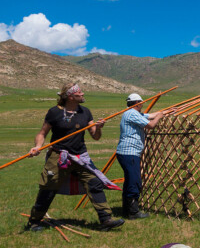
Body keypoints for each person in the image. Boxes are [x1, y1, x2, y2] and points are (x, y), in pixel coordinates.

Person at [27, 83, 125, 232]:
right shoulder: (54, 112)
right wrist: (38, 146)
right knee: (48, 187)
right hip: (59, 155)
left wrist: (98, 128)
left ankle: (105, 220)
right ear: (71, 96)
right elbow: (42, 133)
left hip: (80, 156)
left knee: (95, 183)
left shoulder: (85, 112)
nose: (83, 93)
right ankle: (34, 222)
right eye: (79, 92)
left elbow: (95, 136)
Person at [116, 93, 171, 219]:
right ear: (137, 103)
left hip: (128, 153)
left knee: (130, 181)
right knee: (134, 181)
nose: (142, 104)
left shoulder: (132, 113)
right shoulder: (132, 114)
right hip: (129, 153)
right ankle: (133, 212)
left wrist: (164, 112)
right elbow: (151, 125)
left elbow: (150, 115)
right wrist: (160, 117)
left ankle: (127, 211)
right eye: (141, 102)